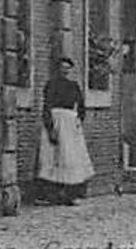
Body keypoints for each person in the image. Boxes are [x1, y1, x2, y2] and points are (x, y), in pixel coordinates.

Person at [38, 56, 94, 205]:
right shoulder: (51, 85)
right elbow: (46, 107)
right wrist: (50, 128)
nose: (65, 70)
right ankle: (51, 194)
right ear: (58, 69)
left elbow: (81, 107)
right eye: (62, 67)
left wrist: (77, 121)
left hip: (70, 125)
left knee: (71, 157)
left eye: (68, 68)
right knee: (53, 157)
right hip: (56, 121)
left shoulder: (74, 86)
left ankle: (71, 193)